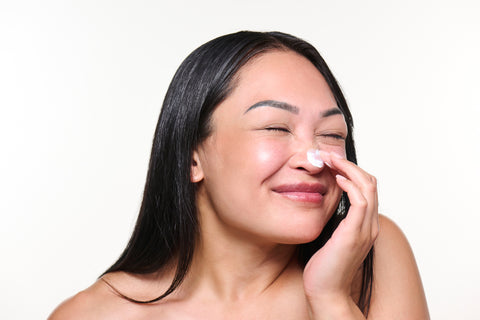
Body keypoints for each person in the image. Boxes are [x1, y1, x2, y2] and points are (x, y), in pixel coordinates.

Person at [49, 31, 429, 319]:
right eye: (276, 128)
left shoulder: (374, 253)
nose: (314, 160)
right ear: (191, 158)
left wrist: (330, 299)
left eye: (332, 135)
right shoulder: (94, 313)